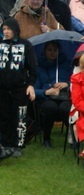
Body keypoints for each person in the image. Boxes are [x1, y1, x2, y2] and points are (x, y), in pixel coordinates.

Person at [0, 17, 37, 155]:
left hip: (20, 88)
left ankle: (18, 146)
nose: (6, 32)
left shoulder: (26, 45)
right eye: (4, 29)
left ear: (15, 30)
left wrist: (31, 85)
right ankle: (4, 144)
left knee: (19, 117)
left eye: (9, 29)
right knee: (4, 116)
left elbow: (33, 68)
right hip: (2, 88)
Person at [34, 40, 72, 148]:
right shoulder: (39, 68)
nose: (52, 53)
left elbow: (76, 81)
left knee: (65, 108)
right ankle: (46, 139)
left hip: (64, 97)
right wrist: (46, 92)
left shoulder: (66, 65)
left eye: (55, 50)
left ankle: (72, 138)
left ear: (59, 51)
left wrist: (67, 84)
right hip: (47, 99)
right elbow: (34, 89)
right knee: (51, 107)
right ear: (44, 51)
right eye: (49, 50)